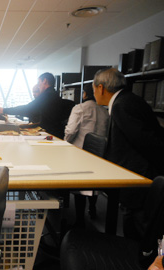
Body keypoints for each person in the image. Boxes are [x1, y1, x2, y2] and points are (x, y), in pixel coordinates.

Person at [92, 67, 164, 240]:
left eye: (93, 89)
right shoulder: (128, 100)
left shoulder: (122, 106)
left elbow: (147, 143)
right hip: (138, 178)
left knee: (139, 229)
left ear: (101, 88)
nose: (94, 94)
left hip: (138, 180)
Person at [64, 84, 109, 225]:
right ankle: (93, 208)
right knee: (93, 185)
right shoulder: (105, 111)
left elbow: (71, 131)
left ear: (85, 94)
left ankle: (79, 219)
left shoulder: (79, 108)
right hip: (99, 153)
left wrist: (65, 143)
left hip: (80, 152)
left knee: (80, 187)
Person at [0, 72, 74, 139]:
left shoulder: (47, 95)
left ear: (44, 81)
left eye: (39, 82)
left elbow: (27, 109)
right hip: (55, 133)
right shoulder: (54, 94)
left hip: (50, 133)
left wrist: (3, 110)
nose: (38, 86)